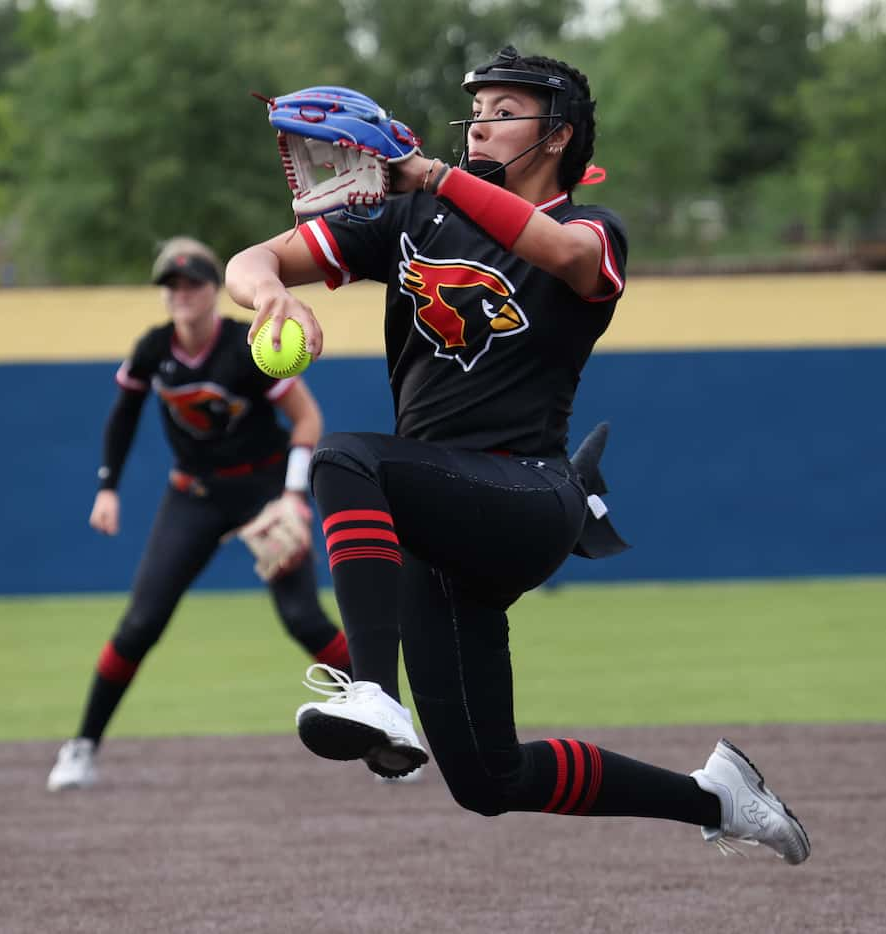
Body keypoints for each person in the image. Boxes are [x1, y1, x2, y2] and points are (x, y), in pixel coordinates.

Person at [224, 48, 810, 863]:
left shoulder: (590, 230)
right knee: (487, 778)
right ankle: (717, 798)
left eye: (505, 110)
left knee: (342, 460)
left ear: (559, 134)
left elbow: (567, 259)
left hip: (527, 496)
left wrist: (432, 176)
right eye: (478, 109)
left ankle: (370, 690)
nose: (481, 124)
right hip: (441, 519)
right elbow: (247, 261)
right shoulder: (413, 220)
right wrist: (270, 294)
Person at [46, 236, 350, 792]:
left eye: (192, 282)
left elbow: (308, 421)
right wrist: (107, 487)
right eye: (171, 284)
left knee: (305, 620)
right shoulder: (153, 349)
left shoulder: (250, 346)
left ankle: (389, 728)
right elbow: (123, 417)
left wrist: (291, 496)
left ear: (214, 290)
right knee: (141, 623)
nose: (181, 293)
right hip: (194, 495)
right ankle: (82, 745)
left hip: (262, 491)